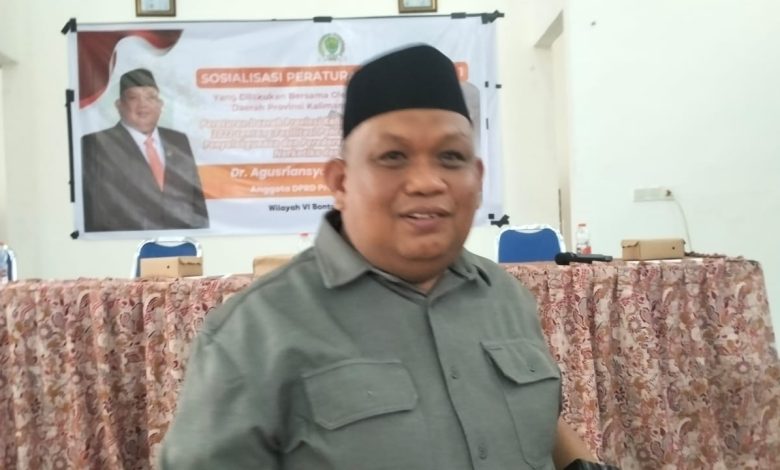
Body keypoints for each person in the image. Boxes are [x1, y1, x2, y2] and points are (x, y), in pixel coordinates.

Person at [160, 45, 604, 469]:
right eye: (393, 156)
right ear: (341, 182)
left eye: (451, 156)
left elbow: (541, 429)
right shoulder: (252, 333)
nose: (427, 182)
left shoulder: (508, 299)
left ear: (477, 176)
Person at [81, 68, 209, 232]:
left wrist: (203, 237)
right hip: (124, 241)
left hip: (178, 242)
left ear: (160, 105)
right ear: (119, 105)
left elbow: (196, 201)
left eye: (150, 97)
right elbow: (92, 208)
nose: (143, 104)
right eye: (133, 97)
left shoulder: (178, 140)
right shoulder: (97, 143)